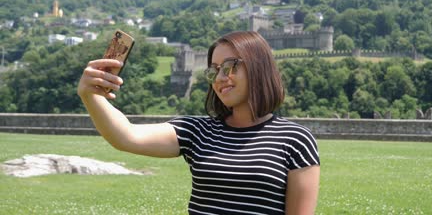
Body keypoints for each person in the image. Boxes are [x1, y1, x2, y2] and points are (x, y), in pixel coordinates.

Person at [77, 31, 320, 214]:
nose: (221, 78)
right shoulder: (198, 131)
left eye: (230, 66)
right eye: (214, 70)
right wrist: (89, 95)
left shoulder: (295, 140)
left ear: (258, 67)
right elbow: (126, 136)